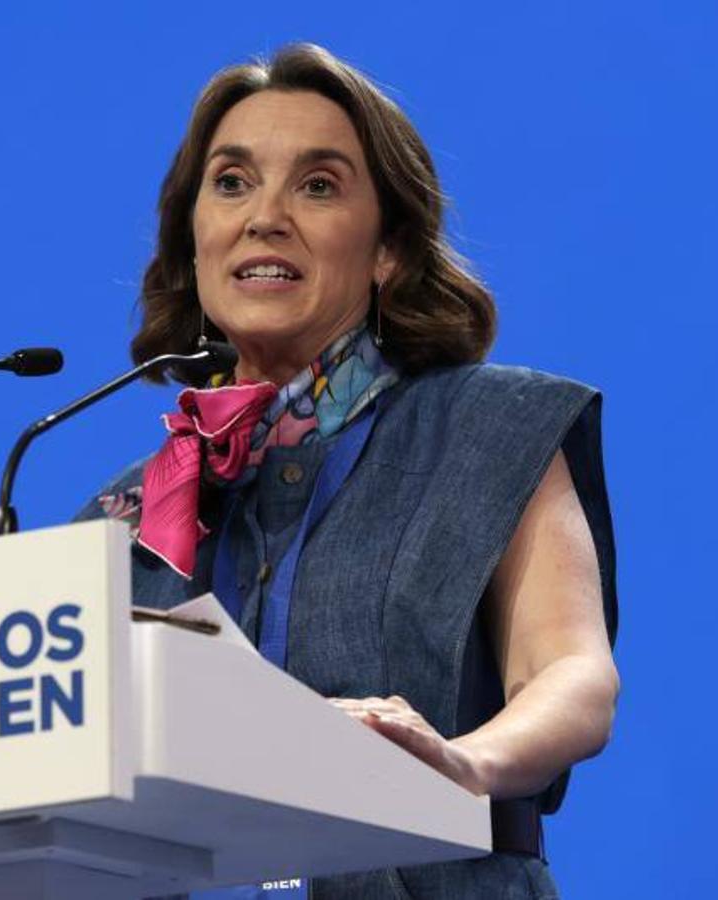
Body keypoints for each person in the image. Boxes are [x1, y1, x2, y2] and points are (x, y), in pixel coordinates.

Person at [75, 43, 619, 900]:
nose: (265, 217)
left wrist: (464, 763)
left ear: (387, 250)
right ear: (193, 239)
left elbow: (572, 676)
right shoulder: (127, 512)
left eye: (318, 186)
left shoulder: (489, 428)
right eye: (231, 182)